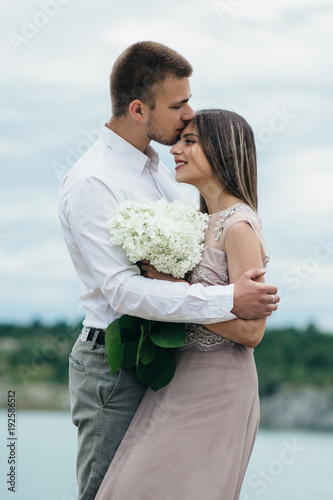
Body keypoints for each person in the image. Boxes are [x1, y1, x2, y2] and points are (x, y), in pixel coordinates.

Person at [58, 42, 279, 500]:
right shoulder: (94, 181)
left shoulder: (159, 170)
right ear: (139, 109)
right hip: (113, 364)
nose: (188, 114)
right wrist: (228, 299)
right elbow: (121, 291)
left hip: (170, 364)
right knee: (110, 491)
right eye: (178, 105)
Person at [95, 109, 269, 500]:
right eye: (179, 140)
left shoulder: (238, 226)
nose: (174, 149)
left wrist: (169, 287)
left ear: (223, 150)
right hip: (175, 379)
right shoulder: (198, 219)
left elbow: (251, 332)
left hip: (218, 384)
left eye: (189, 141)